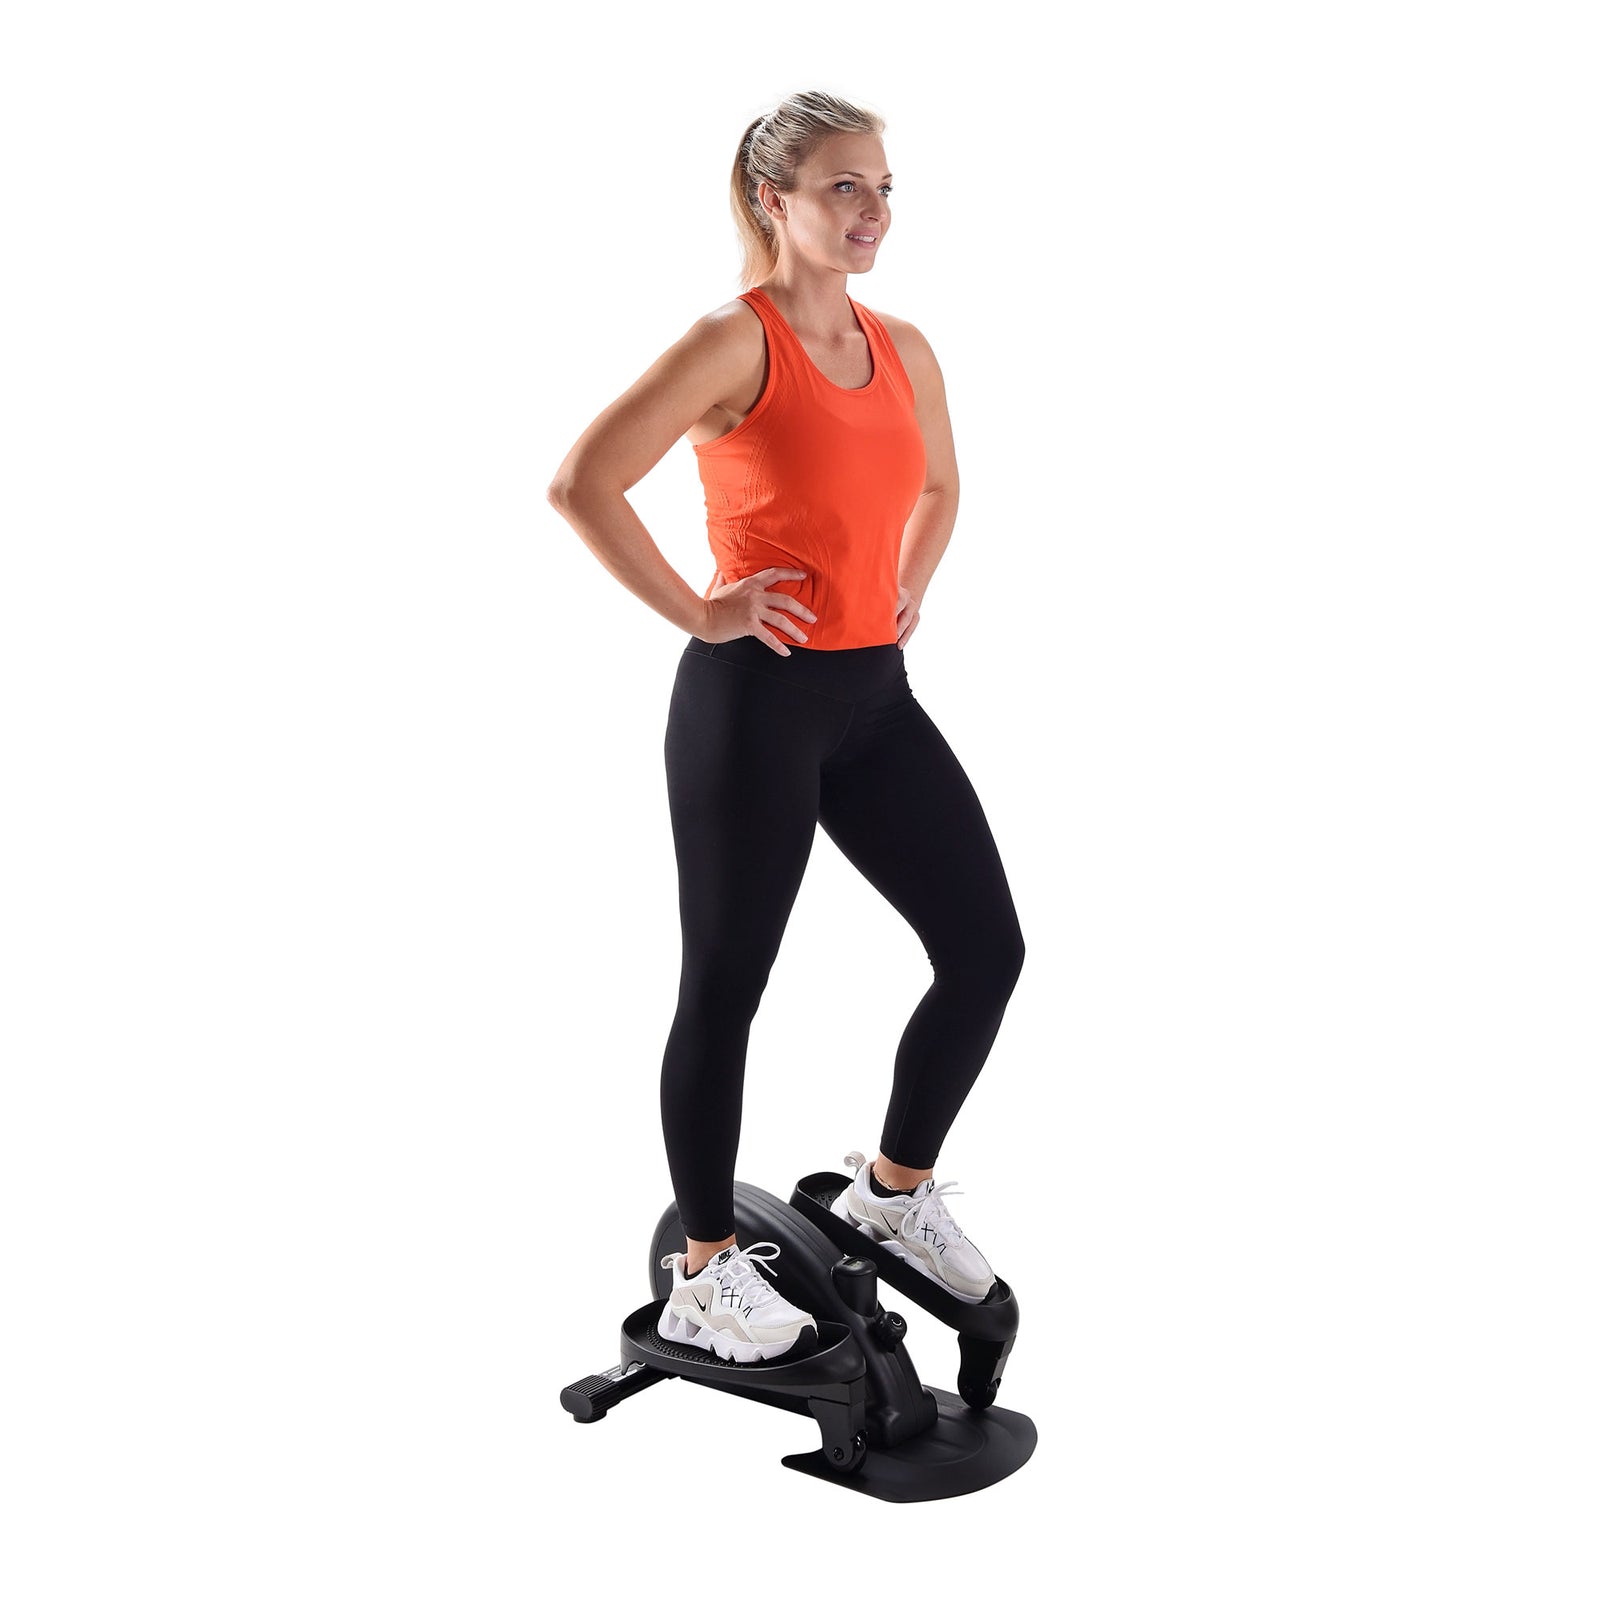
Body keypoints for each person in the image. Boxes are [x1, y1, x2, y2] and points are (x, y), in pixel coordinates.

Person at [546, 90, 1026, 1365]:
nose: (872, 211)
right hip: (753, 702)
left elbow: (940, 483)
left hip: (874, 699)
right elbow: (583, 483)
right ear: (774, 199)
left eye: (882, 187)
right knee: (725, 985)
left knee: (985, 949)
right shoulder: (732, 342)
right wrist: (700, 611)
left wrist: (909, 580)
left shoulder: (903, 345)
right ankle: (704, 1271)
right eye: (842, 187)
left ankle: (892, 1193)